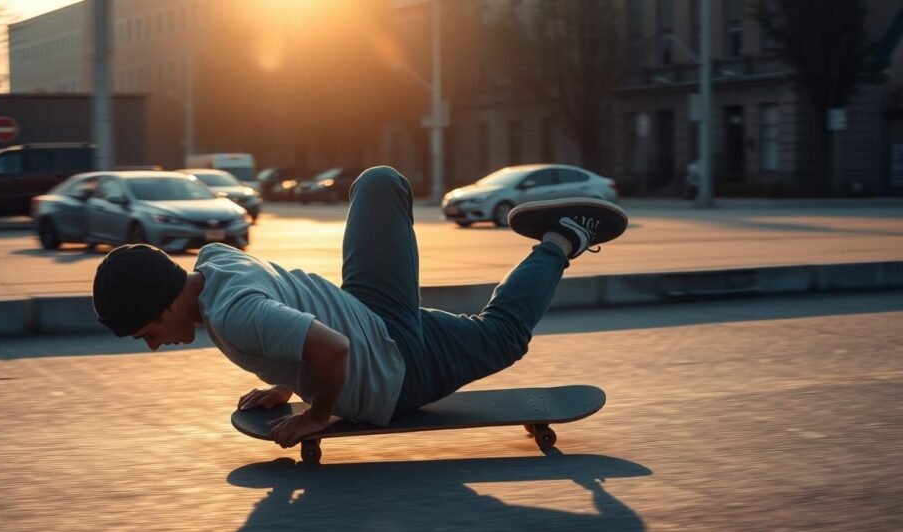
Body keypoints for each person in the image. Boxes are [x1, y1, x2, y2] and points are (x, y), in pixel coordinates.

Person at [93, 166, 627, 448]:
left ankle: (562, 240)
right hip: (374, 314)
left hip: (396, 373)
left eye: (146, 333)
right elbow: (289, 315)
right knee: (378, 181)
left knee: (504, 333)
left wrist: (317, 414)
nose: (154, 344)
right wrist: (284, 381)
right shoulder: (217, 261)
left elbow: (331, 346)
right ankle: (559, 239)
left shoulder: (233, 315)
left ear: (163, 307)